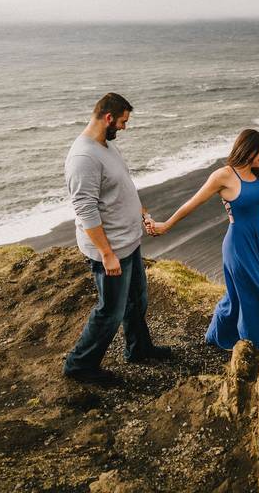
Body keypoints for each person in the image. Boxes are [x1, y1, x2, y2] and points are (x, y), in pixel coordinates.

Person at [150, 129, 259, 352]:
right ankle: (253, 345)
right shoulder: (223, 175)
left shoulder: (257, 173)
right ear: (248, 149)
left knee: (248, 294)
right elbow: (192, 203)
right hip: (238, 245)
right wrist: (166, 225)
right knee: (251, 294)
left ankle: (221, 333)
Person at [62, 92, 172, 384]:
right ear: (108, 118)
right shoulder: (83, 156)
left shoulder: (105, 146)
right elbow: (85, 209)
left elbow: (123, 188)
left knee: (137, 299)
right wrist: (106, 253)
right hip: (111, 249)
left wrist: (143, 215)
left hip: (129, 241)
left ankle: (139, 348)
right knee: (110, 311)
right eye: (122, 122)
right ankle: (80, 365)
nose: (124, 127)